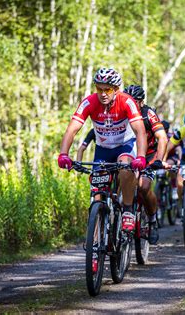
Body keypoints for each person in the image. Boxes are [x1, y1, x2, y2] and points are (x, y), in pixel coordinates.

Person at [58, 67, 147, 234]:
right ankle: (97, 237)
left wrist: (141, 157)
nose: (103, 93)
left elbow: (140, 131)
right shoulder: (89, 102)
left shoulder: (127, 102)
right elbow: (72, 130)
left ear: (116, 89)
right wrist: (64, 154)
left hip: (125, 145)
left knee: (125, 168)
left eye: (108, 89)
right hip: (103, 149)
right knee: (97, 191)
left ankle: (127, 209)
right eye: (99, 89)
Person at [123, 84, 168, 244]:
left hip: (148, 154)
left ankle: (152, 220)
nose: (129, 103)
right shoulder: (122, 111)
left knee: (143, 186)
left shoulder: (148, 113)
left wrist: (159, 160)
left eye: (133, 101)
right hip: (128, 153)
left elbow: (162, 137)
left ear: (141, 102)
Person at [162, 120, 181, 200]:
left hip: (171, 156)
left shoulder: (171, 136)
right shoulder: (155, 135)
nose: (163, 131)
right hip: (159, 156)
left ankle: (174, 187)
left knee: (170, 165)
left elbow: (179, 148)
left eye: (165, 129)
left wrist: (180, 159)